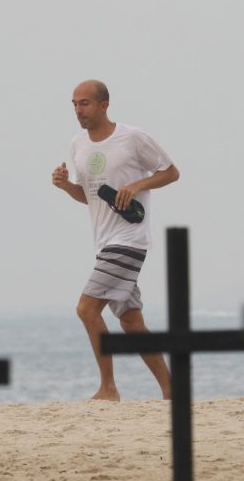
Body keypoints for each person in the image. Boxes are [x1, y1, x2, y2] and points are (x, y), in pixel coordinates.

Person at [51, 80, 179, 401]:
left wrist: (136, 187)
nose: (78, 110)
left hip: (129, 240)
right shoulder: (78, 145)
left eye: (85, 104)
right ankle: (171, 390)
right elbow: (90, 198)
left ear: (104, 104)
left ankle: (108, 388)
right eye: (74, 104)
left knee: (86, 309)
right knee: (132, 323)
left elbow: (171, 172)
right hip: (104, 243)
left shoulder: (132, 138)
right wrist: (67, 186)